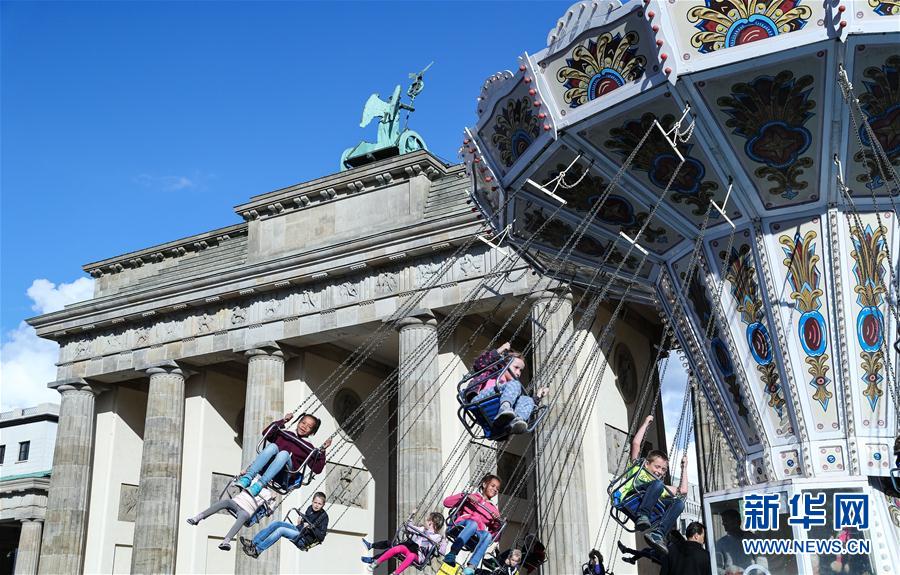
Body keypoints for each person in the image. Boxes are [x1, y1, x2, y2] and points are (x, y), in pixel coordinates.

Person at [620, 414, 688, 553]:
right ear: (646, 464)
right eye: (657, 467)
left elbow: (683, 490)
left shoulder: (658, 486)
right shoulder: (637, 469)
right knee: (657, 485)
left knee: (679, 503)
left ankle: (658, 533)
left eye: (663, 469)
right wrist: (646, 422)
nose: (659, 471)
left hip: (649, 497)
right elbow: (636, 444)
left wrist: (684, 468)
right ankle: (643, 515)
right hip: (632, 497)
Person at [235, 412, 332, 497]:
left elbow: (317, 469)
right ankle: (247, 478)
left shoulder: (308, 447)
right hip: (268, 466)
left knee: (284, 454)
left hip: (285, 474)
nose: (304, 427)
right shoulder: (285, 433)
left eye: (309, 427)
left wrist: (323, 450)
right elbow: (266, 433)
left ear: (312, 432)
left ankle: (259, 485)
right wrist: (283, 421)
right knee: (273, 446)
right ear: (298, 422)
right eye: (303, 423)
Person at [467, 342, 548, 435]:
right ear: (503, 365)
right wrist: (499, 350)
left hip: (497, 405)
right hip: (480, 398)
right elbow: (479, 364)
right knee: (515, 384)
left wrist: (538, 396)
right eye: (516, 367)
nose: (518, 373)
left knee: (527, 399)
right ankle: (505, 408)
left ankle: (517, 421)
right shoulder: (493, 371)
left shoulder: (511, 390)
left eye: (520, 370)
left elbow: (524, 404)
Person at [185, 478, 277, 550]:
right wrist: (242, 475)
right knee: (225, 502)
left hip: (246, 510)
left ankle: (226, 541)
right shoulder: (254, 480)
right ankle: (197, 518)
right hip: (236, 502)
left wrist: (273, 499)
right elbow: (240, 481)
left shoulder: (269, 494)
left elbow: (269, 511)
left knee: (242, 518)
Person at [443, 474, 504, 575]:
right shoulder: (472, 496)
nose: (495, 490)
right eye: (493, 486)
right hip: (460, 527)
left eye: (497, 489)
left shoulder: (493, 510)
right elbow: (446, 502)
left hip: (475, 536)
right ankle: (452, 553)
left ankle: (471, 567)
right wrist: (464, 496)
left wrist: (497, 524)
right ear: (484, 484)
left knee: (487, 535)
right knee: (473, 524)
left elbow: (495, 538)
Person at [240, 491, 329, 558]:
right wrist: (301, 520)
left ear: (323, 505)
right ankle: (253, 542)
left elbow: (321, 537)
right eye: (315, 502)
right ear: (312, 501)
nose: (316, 505)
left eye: (319, 504)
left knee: (281, 530)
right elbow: (306, 520)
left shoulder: (324, 517)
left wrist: (311, 527)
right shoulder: (310, 508)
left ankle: (257, 550)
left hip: (304, 539)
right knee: (276, 523)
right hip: (298, 529)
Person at [361, 511, 447, 574]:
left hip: (419, 556)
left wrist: (444, 542)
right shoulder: (422, 529)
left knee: (411, 555)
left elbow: (442, 552)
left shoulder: (438, 537)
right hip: (411, 548)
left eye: (427, 520)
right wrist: (412, 516)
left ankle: (395, 573)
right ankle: (376, 562)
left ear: (431, 523)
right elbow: (409, 527)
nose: (426, 521)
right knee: (398, 548)